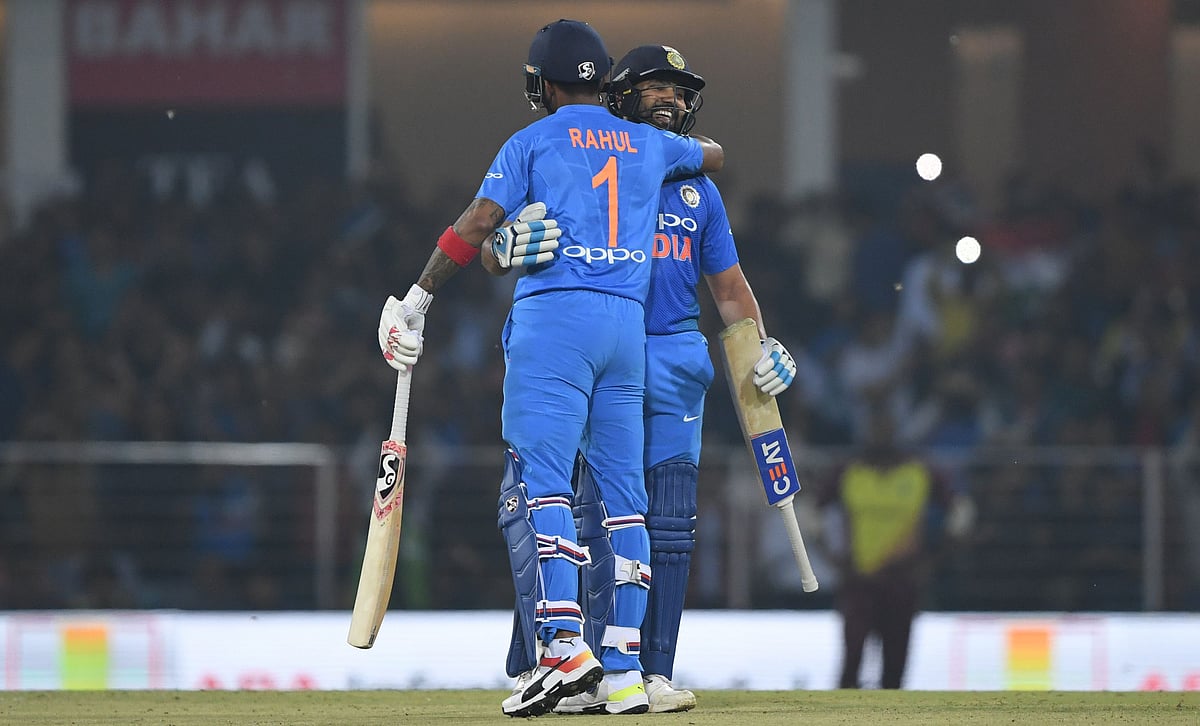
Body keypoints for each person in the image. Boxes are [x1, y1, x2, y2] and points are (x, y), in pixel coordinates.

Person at [377, 19, 723, 718]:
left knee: (546, 482)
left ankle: (564, 647)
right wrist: (684, 143)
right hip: (627, 330)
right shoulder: (652, 143)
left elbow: (478, 222)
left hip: (555, 322)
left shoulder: (530, 142)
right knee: (628, 499)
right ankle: (624, 670)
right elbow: (711, 154)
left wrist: (418, 298)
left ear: (542, 82)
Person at [550, 44, 798, 715]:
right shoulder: (586, 164)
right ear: (621, 95)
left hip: (678, 361)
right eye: (657, 86)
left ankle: (653, 674)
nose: (673, 100)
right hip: (609, 355)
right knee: (598, 521)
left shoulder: (699, 193)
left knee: (672, 528)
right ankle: (595, 670)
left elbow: (730, 290)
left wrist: (763, 351)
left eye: (681, 91)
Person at [816, 404, 974, 689]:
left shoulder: (920, 471)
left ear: (895, 431)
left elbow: (961, 511)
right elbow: (811, 509)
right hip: (859, 580)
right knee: (851, 660)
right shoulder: (849, 471)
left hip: (902, 581)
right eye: (875, 428)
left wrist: (934, 558)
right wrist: (830, 556)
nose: (880, 435)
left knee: (895, 664)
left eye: (885, 427)